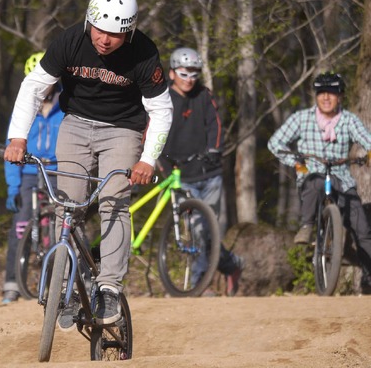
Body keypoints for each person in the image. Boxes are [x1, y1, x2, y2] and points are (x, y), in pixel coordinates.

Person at [4, 0, 173, 327]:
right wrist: (17, 138)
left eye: (115, 34)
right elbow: (34, 87)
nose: (105, 40)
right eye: (99, 30)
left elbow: (161, 109)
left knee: (114, 202)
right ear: (88, 22)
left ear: (129, 31)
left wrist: (147, 160)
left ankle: (109, 286)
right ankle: (64, 282)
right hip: (75, 125)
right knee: (68, 205)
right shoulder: (69, 41)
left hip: (122, 130)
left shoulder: (143, 53)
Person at [268, 71, 371, 293]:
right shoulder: (301, 118)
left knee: (362, 227)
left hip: (341, 177)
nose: (326, 98)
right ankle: (306, 225)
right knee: (314, 183)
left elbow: (367, 139)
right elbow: (275, 143)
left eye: (332, 93)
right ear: (316, 96)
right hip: (311, 172)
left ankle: (369, 274)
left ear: (340, 96)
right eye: (321, 93)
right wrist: (295, 161)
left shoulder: (348, 120)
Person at [158, 47, 244, 297]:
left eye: (194, 74)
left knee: (205, 229)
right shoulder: (161, 97)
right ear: (172, 73)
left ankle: (198, 284)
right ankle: (229, 265)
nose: (189, 79)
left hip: (209, 174)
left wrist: (213, 150)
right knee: (196, 230)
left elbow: (215, 125)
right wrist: (155, 159)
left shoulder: (204, 96)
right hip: (179, 174)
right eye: (184, 73)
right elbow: (150, 129)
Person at [1, 52, 65, 304]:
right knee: (20, 227)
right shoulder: (25, 108)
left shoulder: (66, 105)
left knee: (66, 225)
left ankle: (65, 280)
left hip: (57, 171)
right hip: (28, 173)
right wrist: (13, 187)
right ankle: (12, 284)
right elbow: (10, 146)